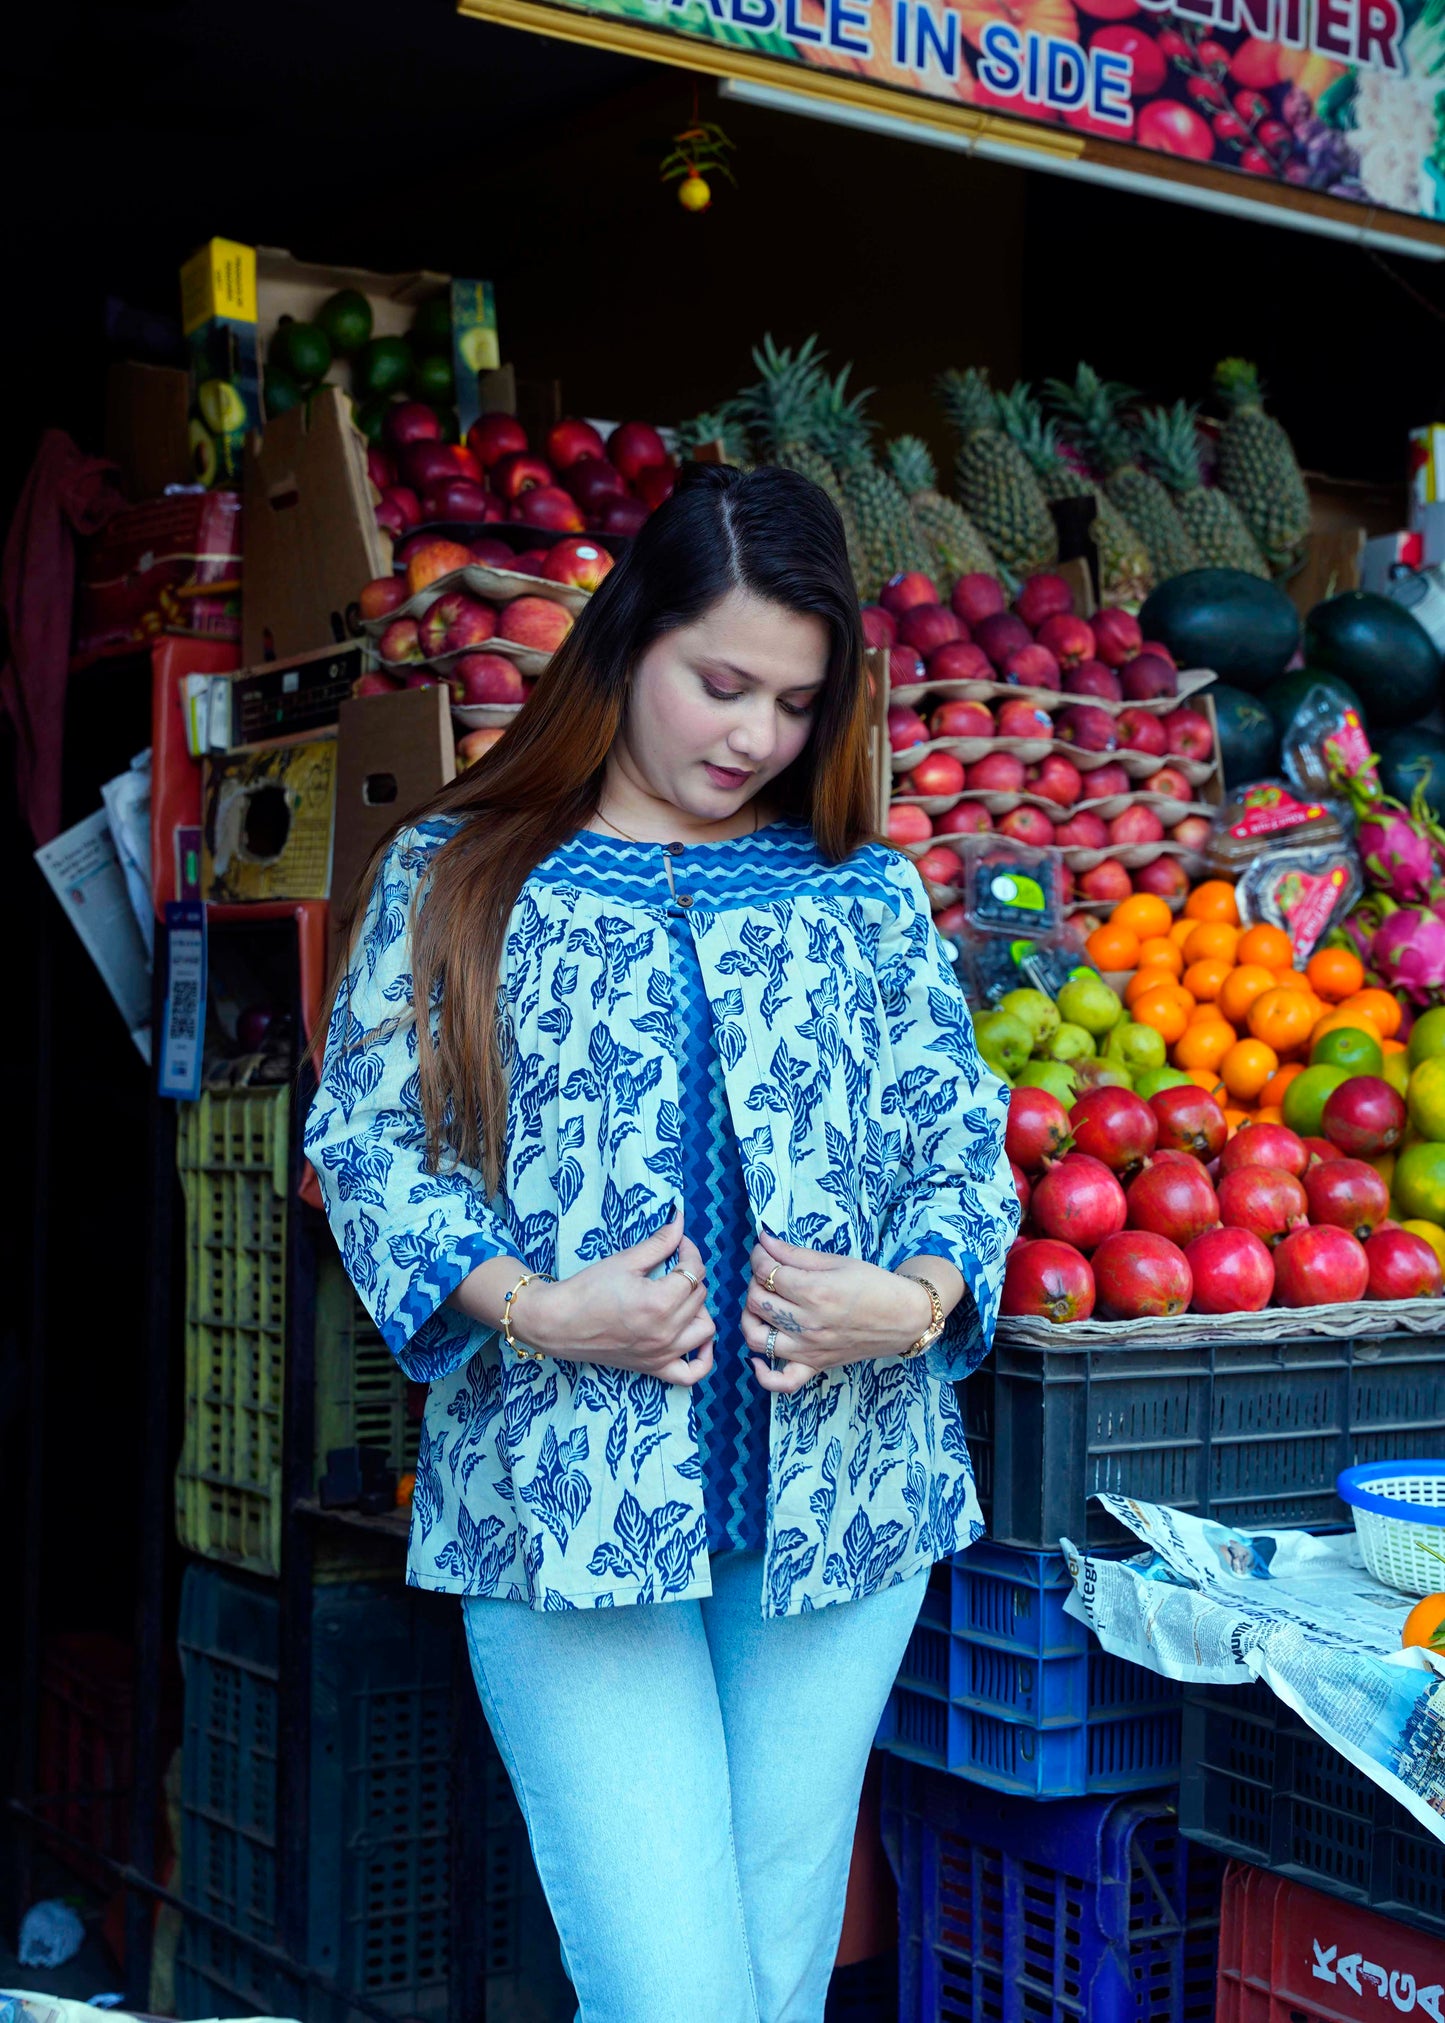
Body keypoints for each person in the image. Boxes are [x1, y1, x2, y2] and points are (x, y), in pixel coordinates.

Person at [306, 462, 1017, 2023]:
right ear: (628, 642)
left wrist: (906, 1302)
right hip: (566, 1512)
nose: (754, 736)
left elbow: (958, 1140)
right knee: (676, 1995)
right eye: (721, 683)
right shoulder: (462, 874)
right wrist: (535, 1309)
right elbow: (366, 1139)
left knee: (770, 1982)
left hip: (842, 1508)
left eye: (794, 701)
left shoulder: (865, 897)